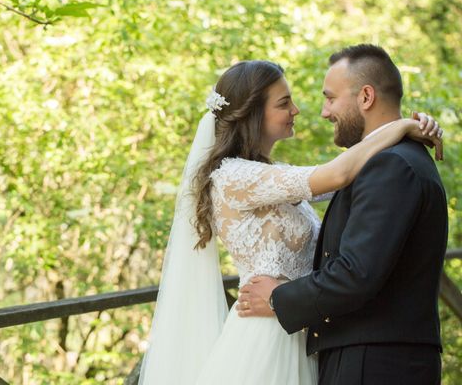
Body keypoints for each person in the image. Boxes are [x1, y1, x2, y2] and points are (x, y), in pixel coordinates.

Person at [138, 57, 443, 385]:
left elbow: (350, 178)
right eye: (284, 103)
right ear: (253, 113)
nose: (297, 110)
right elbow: (339, 173)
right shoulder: (233, 177)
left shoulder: (277, 177)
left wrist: (405, 130)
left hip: (302, 330)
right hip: (265, 334)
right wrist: (401, 128)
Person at [239, 45, 448, 385]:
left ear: (366, 96)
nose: (323, 112)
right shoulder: (388, 161)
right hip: (372, 356)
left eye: (331, 98)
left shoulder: (391, 166)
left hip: (378, 363)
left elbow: (356, 273)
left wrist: (277, 298)